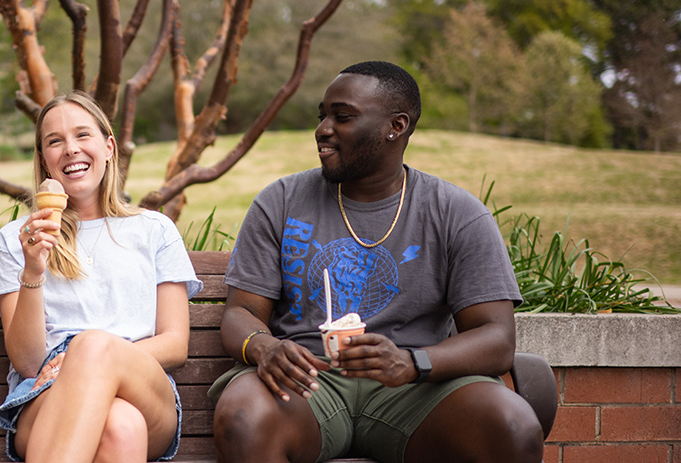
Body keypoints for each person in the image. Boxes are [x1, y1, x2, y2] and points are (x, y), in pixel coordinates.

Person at [209, 61, 544, 463]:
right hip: (305, 384)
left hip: (417, 390)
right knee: (245, 415)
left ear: (396, 126)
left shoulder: (456, 212)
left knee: (512, 425)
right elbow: (241, 312)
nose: (323, 129)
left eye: (343, 116)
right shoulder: (280, 201)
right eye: (323, 116)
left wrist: (412, 362)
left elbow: (496, 339)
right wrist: (264, 347)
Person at [0, 91, 202, 462]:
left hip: (145, 387)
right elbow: (29, 361)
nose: (70, 149)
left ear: (109, 146)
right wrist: (33, 269)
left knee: (93, 348)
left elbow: (176, 344)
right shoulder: (18, 239)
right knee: (120, 427)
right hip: (44, 392)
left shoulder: (155, 229)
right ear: (44, 160)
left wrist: (92, 359)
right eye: (55, 141)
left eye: (83, 135)